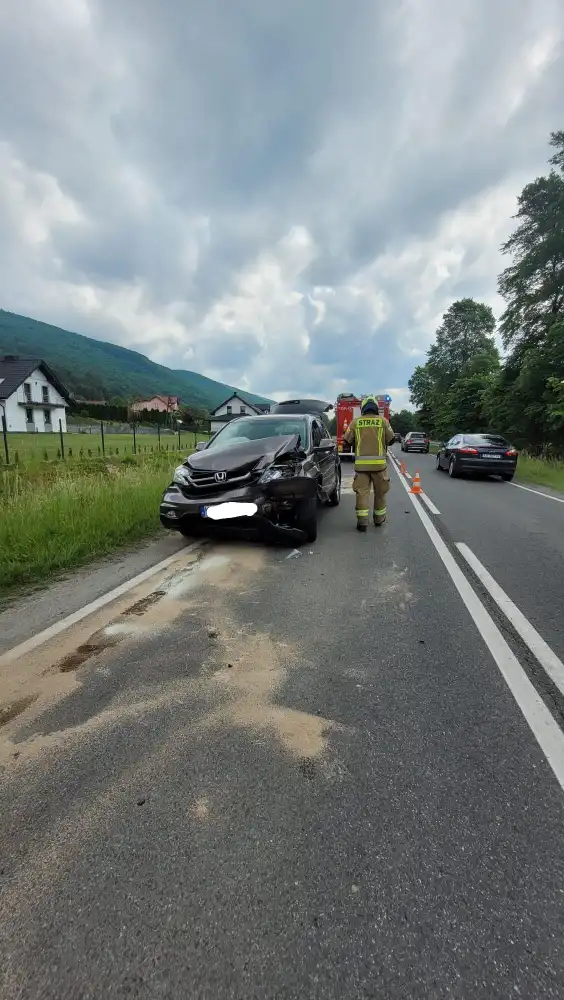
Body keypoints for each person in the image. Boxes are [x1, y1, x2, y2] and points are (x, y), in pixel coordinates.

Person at [342, 395, 395, 532]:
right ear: (376, 408)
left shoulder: (355, 422)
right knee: (380, 493)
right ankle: (378, 520)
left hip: (361, 468)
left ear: (363, 408)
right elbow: (392, 440)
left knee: (362, 493)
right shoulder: (383, 421)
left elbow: (346, 441)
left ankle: (362, 523)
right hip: (379, 467)